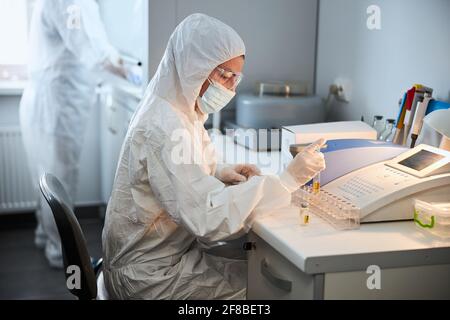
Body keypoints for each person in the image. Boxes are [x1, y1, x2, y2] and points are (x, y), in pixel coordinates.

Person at [102, 13, 326, 300]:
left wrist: (219, 171)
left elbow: (180, 170)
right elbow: (208, 218)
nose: (230, 88)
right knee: (270, 288)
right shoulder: (165, 126)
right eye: (224, 75)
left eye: (236, 77)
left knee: (257, 267)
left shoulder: (178, 109)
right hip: (150, 279)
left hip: (161, 258)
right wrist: (286, 180)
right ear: (193, 67)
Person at [20, 0, 125, 268]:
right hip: (57, 103)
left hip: (44, 98)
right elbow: (92, 48)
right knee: (59, 179)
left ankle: (45, 237)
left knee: (44, 176)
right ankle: (64, 255)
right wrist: (131, 68)